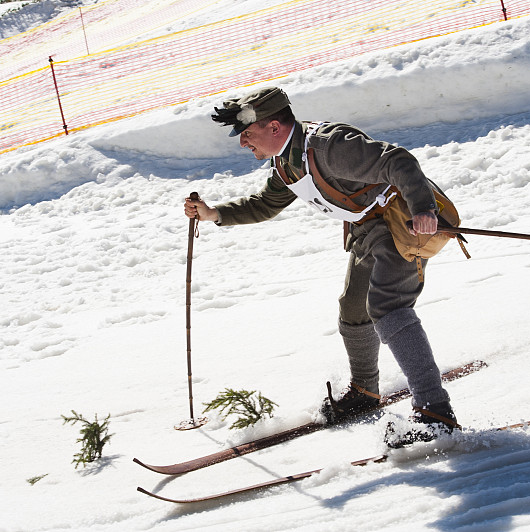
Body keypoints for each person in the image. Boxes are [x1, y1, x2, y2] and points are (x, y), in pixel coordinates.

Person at [184, 86, 459, 447]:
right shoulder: (287, 160)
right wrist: (215, 213)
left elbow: (399, 161)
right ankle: (364, 391)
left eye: (247, 134)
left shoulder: (330, 147)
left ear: (275, 127)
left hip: (404, 222)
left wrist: (424, 209)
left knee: (388, 306)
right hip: (369, 227)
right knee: (353, 307)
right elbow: (268, 202)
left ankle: (436, 414)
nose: (242, 143)